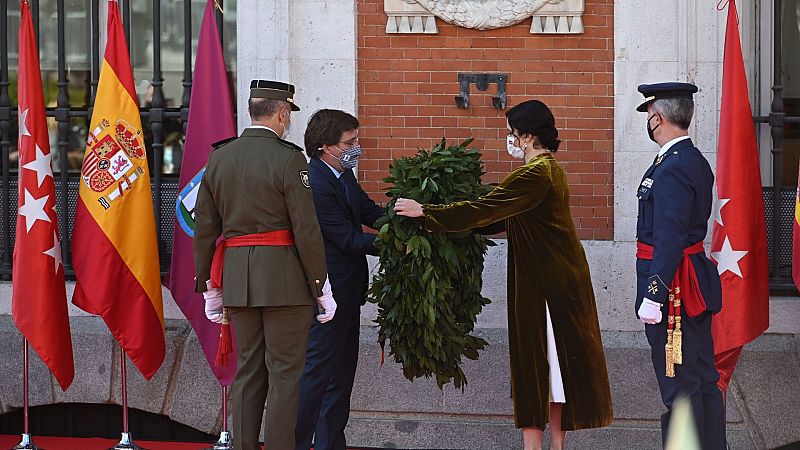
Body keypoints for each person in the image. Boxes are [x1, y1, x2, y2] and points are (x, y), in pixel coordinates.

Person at [394, 100, 613, 450]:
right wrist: (449, 220)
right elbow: (497, 218)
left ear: (526, 136)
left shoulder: (534, 174)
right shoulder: (547, 170)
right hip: (557, 283)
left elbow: (486, 209)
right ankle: (555, 445)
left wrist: (427, 212)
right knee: (555, 372)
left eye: (511, 131)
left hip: (544, 288)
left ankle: (535, 447)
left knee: (537, 368)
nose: (508, 138)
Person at [193, 79, 337, 450]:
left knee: (247, 373)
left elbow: (205, 227)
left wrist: (209, 285)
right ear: (282, 112)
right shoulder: (290, 158)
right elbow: (306, 228)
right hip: (285, 281)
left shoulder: (219, 157)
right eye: (288, 115)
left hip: (238, 279)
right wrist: (321, 285)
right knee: (285, 375)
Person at [633, 82, 725, 448]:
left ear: (658, 117)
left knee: (678, 382)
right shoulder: (689, 159)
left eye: (650, 115)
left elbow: (669, 237)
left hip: (673, 289)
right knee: (701, 377)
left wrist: (654, 294)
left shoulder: (672, 166)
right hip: (687, 281)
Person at [295, 109, 385, 450]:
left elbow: (367, 210)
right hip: (327, 296)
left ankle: (331, 443)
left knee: (342, 376)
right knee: (317, 375)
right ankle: (299, 443)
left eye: (356, 140)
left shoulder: (342, 174)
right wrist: (396, 244)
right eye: (350, 142)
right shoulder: (315, 181)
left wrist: (404, 218)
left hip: (349, 293)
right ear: (325, 147)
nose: (356, 147)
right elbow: (347, 239)